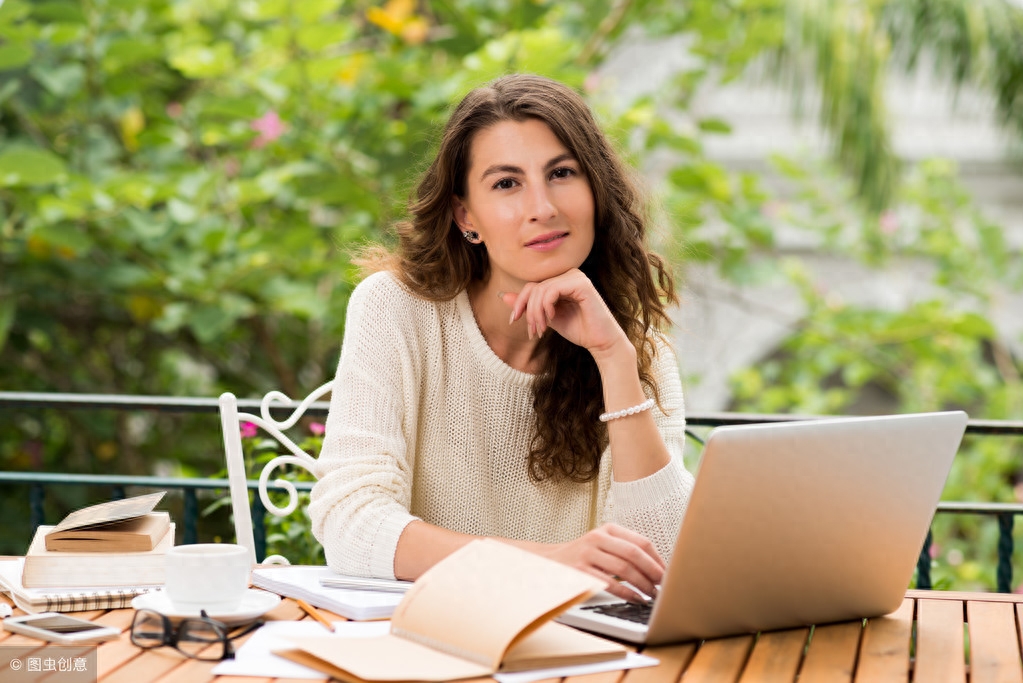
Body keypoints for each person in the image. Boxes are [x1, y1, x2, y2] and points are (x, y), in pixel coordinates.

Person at [308, 73, 694, 602]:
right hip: (433, 634)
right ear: (467, 217)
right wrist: (548, 563)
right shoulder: (395, 310)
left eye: (561, 173)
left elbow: (661, 562)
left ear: (596, 191)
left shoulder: (635, 351)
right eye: (507, 183)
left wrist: (613, 360)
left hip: (585, 648)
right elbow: (351, 526)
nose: (544, 207)